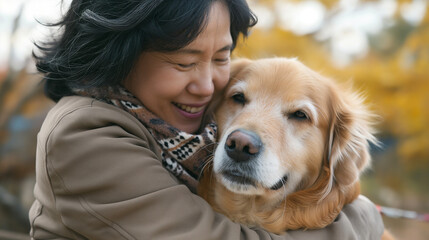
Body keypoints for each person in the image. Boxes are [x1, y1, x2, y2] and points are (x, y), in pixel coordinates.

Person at [29, 0, 385, 239]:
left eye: (221, 58)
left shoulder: (187, 132)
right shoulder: (84, 136)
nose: (207, 85)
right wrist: (364, 218)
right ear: (120, 55)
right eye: (184, 62)